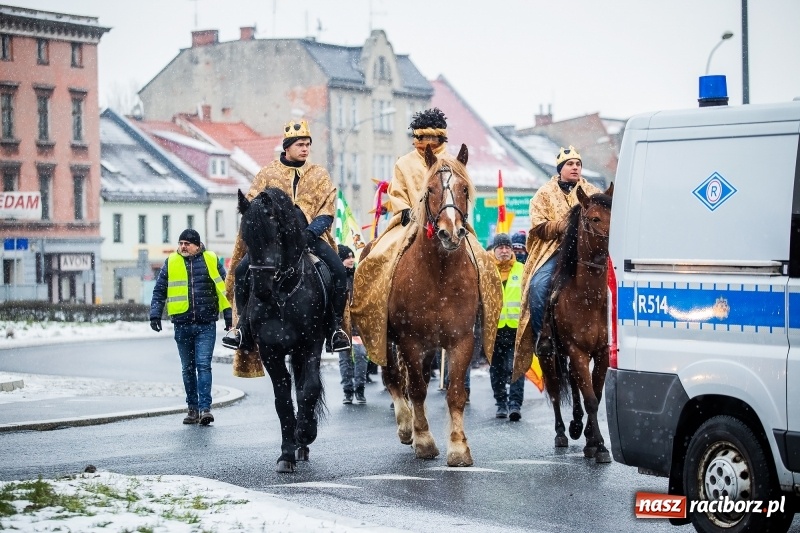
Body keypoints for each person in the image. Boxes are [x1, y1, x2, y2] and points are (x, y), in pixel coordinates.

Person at [351, 108, 502, 369]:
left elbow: (462, 195)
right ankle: (374, 314)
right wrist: (408, 211)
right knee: (375, 257)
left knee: (485, 263)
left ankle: (483, 317)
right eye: (422, 138)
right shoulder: (404, 162)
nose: (427, 144)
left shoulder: (452, 164)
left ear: (442, 138)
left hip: (451, 223)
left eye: (434, 138)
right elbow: (397, 193)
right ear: (415, 138)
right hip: (410, 222)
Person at [224, 119, 350, 357]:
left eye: (307, 144)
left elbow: (326, 210)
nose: (305, 149)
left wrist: (310, 233)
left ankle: (335, 329)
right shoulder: (267, 174)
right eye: (300, 144)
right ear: (287, 146)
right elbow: (252, 206)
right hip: (273, 243)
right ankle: (241, 328)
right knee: (242, 271)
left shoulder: (318, 174)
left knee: (338, 271)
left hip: (309, 237)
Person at [514, 146, 602, 371]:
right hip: (556, 252)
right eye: (570, 164)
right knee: (538, 285)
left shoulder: (592, 191)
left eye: (578, 164)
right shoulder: (543, 193)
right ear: (561, 169)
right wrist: (564, 226)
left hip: (589, 253)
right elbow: (538, 227)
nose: (575, 168)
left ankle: (611, 334)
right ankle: (544, 337)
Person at [150, 229, 232, 426]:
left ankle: (205, 409)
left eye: (187, 243)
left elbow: (225, 289)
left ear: (197, 245)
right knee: (187, 369)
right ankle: (192, 409)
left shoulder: (211, 259)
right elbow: (160, 290)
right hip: (182, 324)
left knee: (203, 366)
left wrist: (229, 315)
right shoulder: (171, 262)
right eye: (181, 243)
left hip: (205, 324)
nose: (183, 246)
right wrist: (155, 314)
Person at [489, 233, 525, 421]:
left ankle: (515, 405)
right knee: (496, 370)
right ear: (494, 251)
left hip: (515, 330)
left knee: (515, 368)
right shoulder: (487, 271)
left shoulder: (522, 269)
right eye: (500, 248)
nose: (504, 251)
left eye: (507, 247)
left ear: (512, 250)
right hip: (493, 331)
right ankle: (501, 403)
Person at [337, 244, 368, 405]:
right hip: (342, 326)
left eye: (352, 257)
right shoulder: (336, 277)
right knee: (345, 359)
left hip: (357, 326)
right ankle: (348, 391)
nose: (351, 260)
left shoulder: (359, 276)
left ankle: (360, 389)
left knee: (361, 355)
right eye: (347, 257)